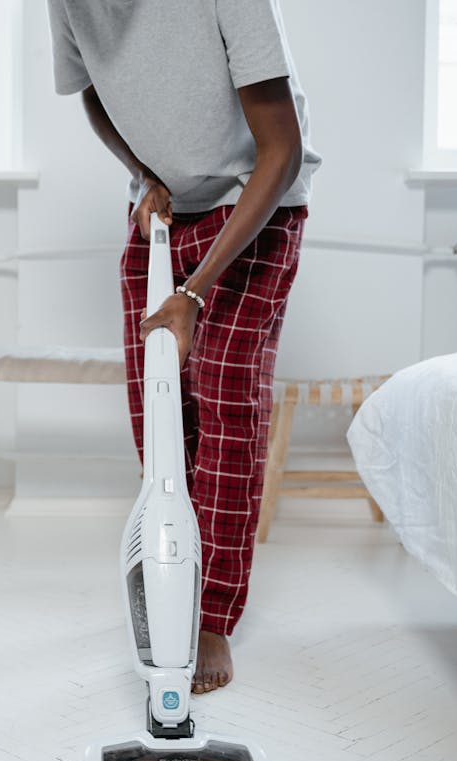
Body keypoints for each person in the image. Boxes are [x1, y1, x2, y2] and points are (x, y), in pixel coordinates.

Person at [47, 0, 322, 693]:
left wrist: (194, 293)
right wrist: (145, 170)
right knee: (158, 410)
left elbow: (281, 152)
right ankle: (173, 573)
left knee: (226, 401)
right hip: (168, 209)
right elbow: (89, 91)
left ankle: (213, 615)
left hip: (257, 204)